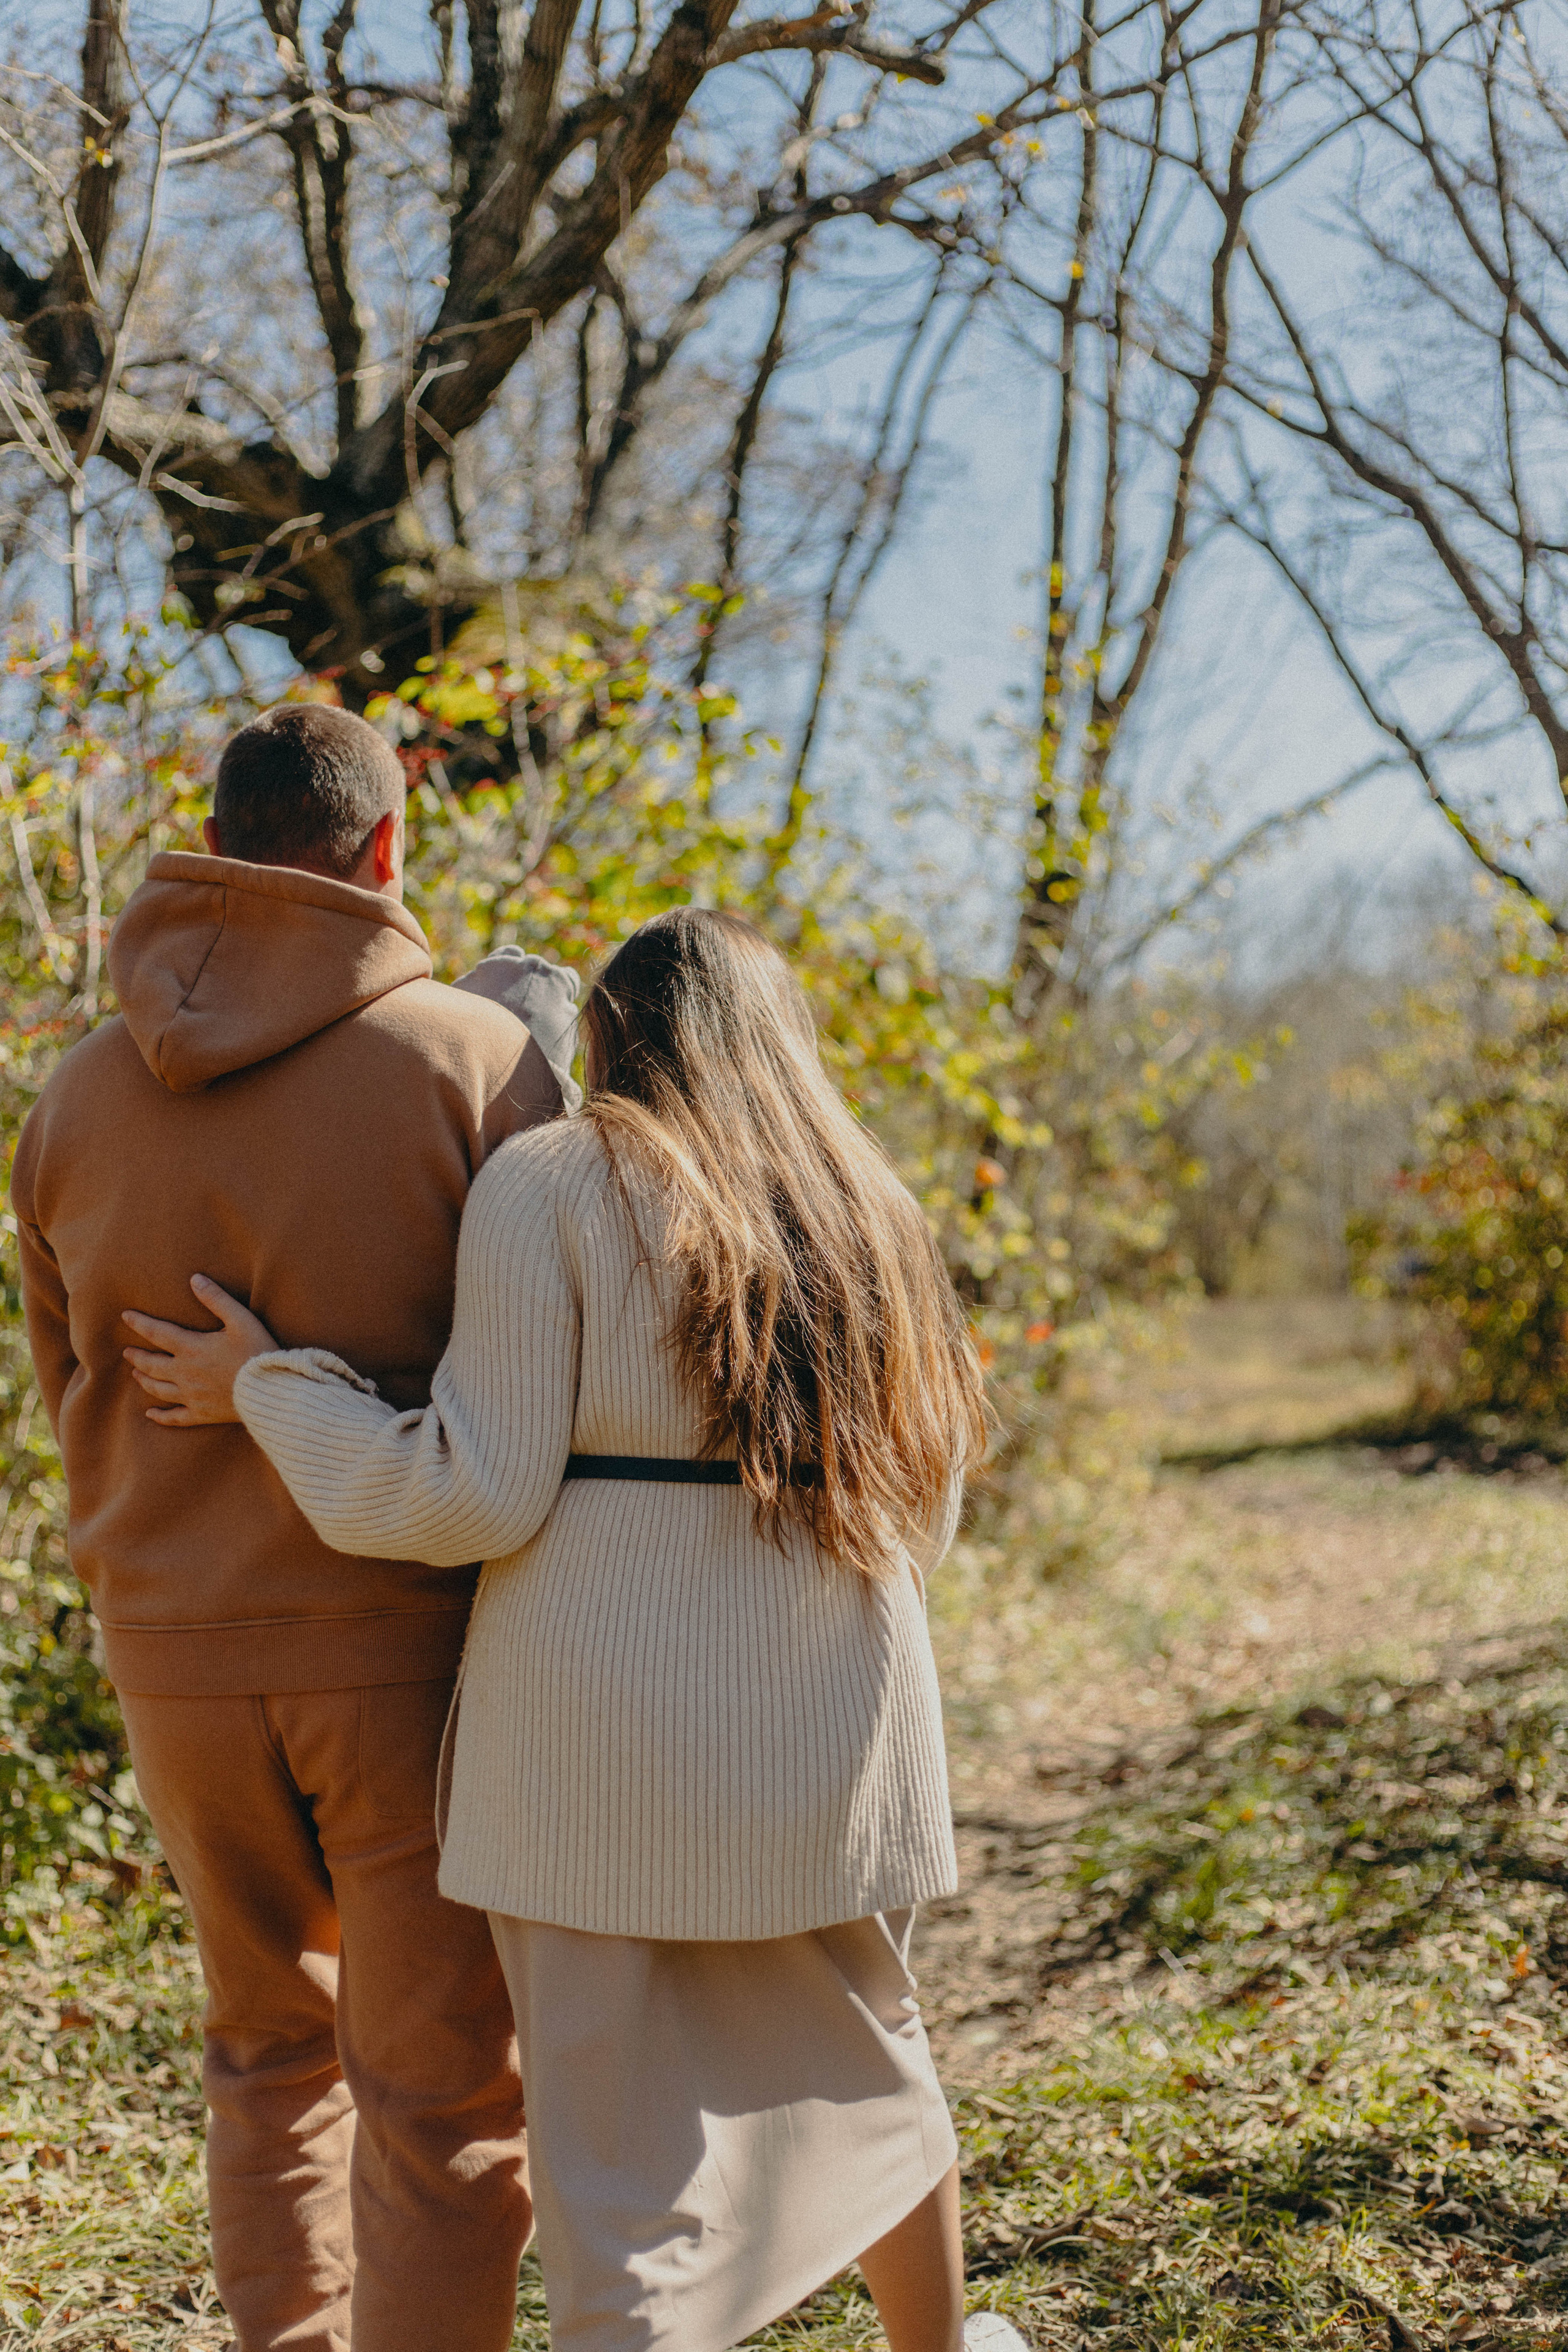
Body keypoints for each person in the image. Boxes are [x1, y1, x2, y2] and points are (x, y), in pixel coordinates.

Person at [121, 907, 1019, 2352]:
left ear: (608, 1038)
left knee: (619, 2164)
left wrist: (270, 1389)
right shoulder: (874, 1204)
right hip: (841, 1709)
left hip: (599, 1744)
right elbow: (929, 1508)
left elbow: (468, 1494)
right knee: (873, 2065)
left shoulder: (556, 1179)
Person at [13, 702, 577, 2352]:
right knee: (444, 2090)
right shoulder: (475, 1063)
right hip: (401, 1648)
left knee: (264, 2050)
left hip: (169, 1652)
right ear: (385, 848)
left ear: (216, 837)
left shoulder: (74, 1098)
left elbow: (69, 1386)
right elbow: (559, 1351)